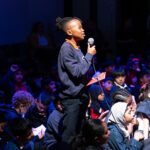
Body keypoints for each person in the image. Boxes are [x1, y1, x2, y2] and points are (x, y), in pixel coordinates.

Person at [56, 17, 96, 144]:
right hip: (72, 99)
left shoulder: (76, 47)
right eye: (79, 27)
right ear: (69, 32)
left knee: (79, 133)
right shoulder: (66, 48)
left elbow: (80, 71)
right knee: (69, 136)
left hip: (80, 95)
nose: (83, 30)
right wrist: (89, 55)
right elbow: (77, 71)